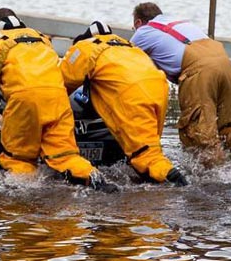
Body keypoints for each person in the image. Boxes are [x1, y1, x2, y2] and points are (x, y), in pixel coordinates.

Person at [0, 8, 116, 192]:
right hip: (58, 98)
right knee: (65, 154)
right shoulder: (41, 38)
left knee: (19, 157)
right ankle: (94, 179)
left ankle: (25, 197)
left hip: (24, 101)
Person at [130, 2, 231, 168]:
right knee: (225, 129)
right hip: (225, 66)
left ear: (138, 23)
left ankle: (219, 177)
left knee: (201, 137)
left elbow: (123, 60)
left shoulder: (143, 32)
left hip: (200, 72)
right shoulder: (180, 23)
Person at [60, 21, 188, 186]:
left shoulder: (85, 46)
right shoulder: (129, 47)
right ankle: (163, 179)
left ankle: (174, 180)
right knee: (149, 148)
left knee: (145, 157)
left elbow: (60, 85)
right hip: (158, 89)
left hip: (130, 96)